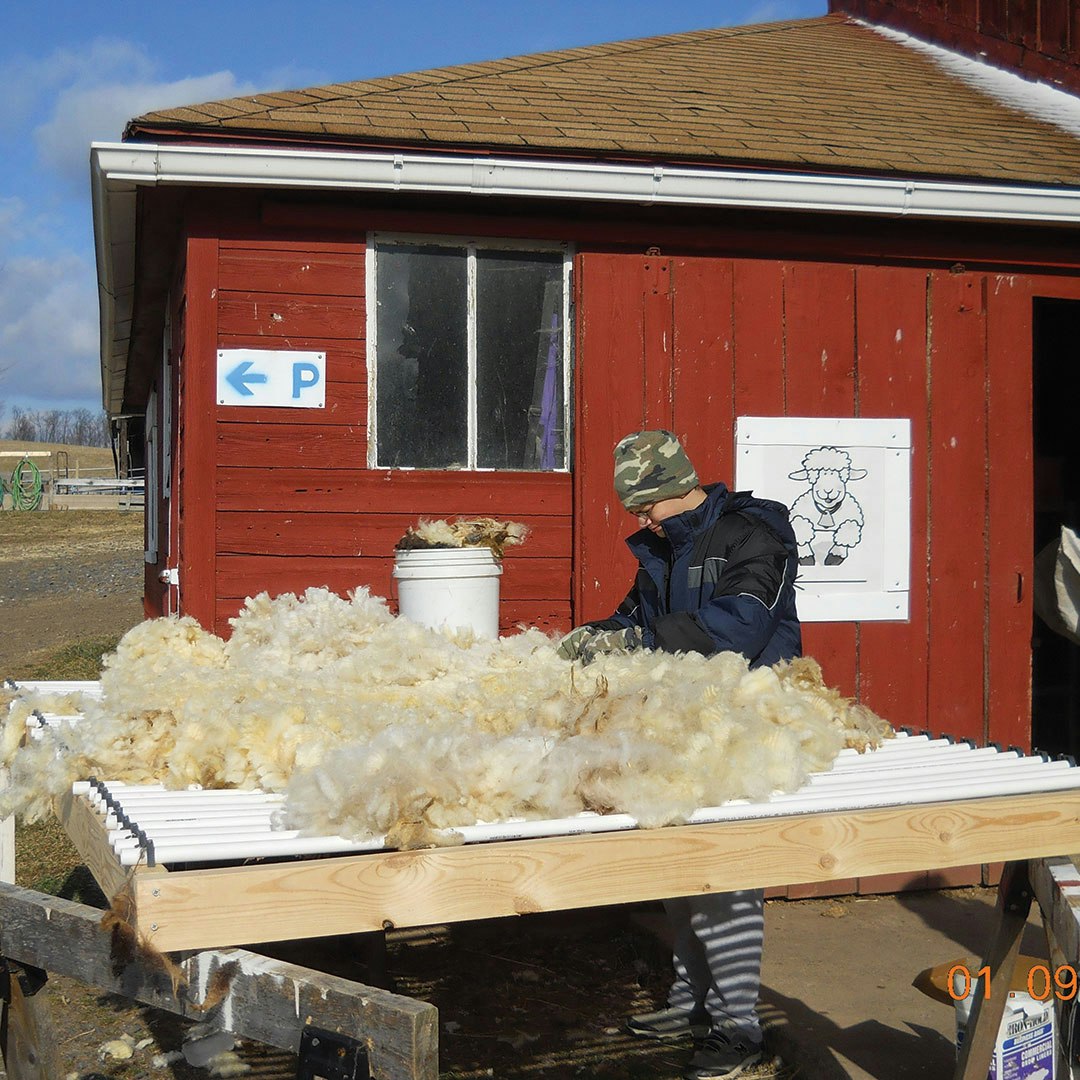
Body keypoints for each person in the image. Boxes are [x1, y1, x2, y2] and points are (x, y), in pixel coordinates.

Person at [557, 429, 801, 1080]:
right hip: (682, 721)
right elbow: (635, 617)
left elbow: (742, 625)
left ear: (673, 485)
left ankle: (738, 1029)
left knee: (723, 876)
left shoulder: (754, 535)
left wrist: (637, 640)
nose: (639, 519)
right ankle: (691, 1001)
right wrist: (596, 636)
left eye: (646, 504)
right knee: (675, 867)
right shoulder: (664, 550)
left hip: (744, 718)